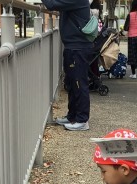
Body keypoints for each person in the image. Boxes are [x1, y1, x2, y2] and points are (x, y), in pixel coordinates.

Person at [42, 0, 93, 131]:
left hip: (78, 47)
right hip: (74, 46)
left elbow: (51, 4)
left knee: (79, 83)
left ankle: (82, 120)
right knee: (72, 83)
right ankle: (72, 116)